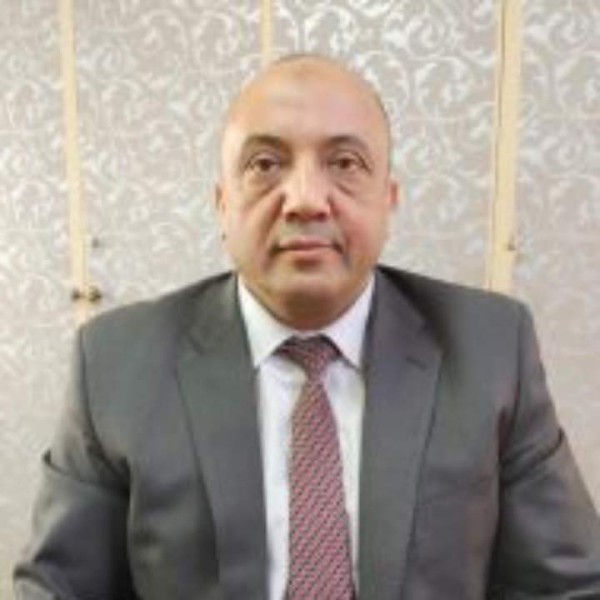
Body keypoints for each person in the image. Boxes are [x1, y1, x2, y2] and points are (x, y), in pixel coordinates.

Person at [14, 54, 600, 599]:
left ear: (389, 200)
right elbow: (59, 589)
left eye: (345, 164)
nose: (305, 199)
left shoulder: (490, 349)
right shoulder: (116, 363)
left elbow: (566, 588)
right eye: (265, 165)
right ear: (222, 204)